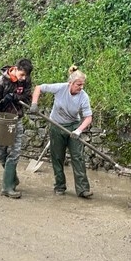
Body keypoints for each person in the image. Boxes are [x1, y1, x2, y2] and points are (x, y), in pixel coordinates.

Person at [30, 65, 94, 198]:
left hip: (73, 127)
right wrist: (34, 104)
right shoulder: (60, 88)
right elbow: (38, 88)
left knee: (78, 157)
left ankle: (83, 189)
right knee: (57, 157)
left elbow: (88, 117)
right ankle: (59, 186)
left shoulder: (83, 97)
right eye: (78, 84)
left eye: (83, 85)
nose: (81, 87)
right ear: (71, 83)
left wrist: (79, 130)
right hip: (56, 125)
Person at [0, 58, 34, 199]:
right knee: (0, 153)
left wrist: (15, 96)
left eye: (26, 75)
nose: (24, 78)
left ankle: (7, 188)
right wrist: (3, 101)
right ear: (15, 69)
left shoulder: (26, 80)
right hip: (2, 120)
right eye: (21, 75)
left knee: (14, 153)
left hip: (17, 119)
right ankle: (11, 178)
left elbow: (27, 97)